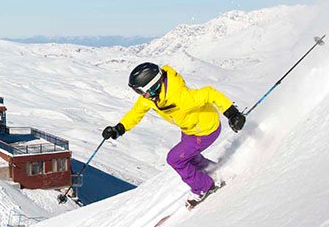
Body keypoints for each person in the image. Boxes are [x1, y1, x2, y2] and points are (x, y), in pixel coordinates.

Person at [103, 62, 246, 204]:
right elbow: (136, 112)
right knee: (189, 157)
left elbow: (210, 93)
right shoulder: (151, 98)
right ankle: (211, 170)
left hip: (205, 130)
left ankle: (204, 186)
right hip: (189, 129)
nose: (140, 95)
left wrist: (233, 114)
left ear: (152, 86)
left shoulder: (179, 96)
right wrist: (119, 128)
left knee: (174, 159)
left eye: (140, 91)